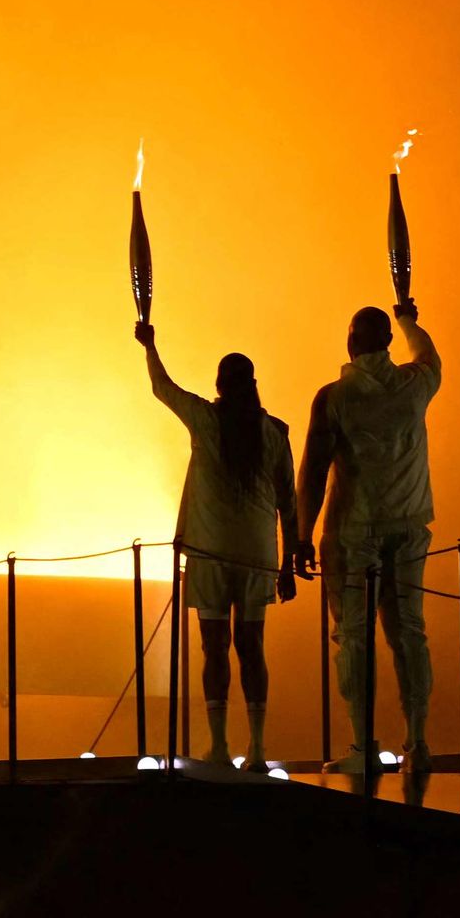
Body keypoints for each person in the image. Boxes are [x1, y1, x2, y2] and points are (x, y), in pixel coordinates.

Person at [139, 317, 299, 770]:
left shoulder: (205, 421)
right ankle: (260, 748)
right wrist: (287, 563)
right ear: (253, 385)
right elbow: (288, 502)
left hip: (210, 553)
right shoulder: (274, 434)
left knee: (214, 647)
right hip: (257, 557)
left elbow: (162, 387)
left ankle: (220, 746)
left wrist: (150, 344)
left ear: (219, 386)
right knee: (252, 646)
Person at [299, 298, 442, 801]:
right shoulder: (415, 385)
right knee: (410, 634)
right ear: (386, 341)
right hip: (408, 526)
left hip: (354, 532)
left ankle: (363, 744)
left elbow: (314, 470)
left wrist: (298, 534)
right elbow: (428, 353)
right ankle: (418, 742)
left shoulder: (335, 397)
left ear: (352, 341)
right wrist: (409, 319)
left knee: (354, 639)